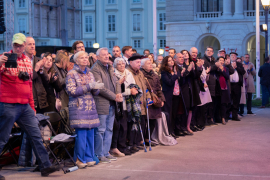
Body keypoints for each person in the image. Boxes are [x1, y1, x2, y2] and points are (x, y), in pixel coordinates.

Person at [0, 33, 59, 179]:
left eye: (21, 45)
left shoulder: (27, 60)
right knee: (2, 138)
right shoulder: (5, 57)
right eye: (16, 45)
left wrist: (32, 107)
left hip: (25, 106)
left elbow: (29, 85)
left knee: (36, 135)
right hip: (8, 104)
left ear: (25, 45)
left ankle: (45, 166)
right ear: (12, 45)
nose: (18, 48)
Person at [66, 51, 103, 168]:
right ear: (76, 61)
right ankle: (79, 159)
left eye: (86, 57)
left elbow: (94, 92)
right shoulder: (71, 74)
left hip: (90, 107)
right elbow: (71, 91)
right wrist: (89, 86)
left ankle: (88, 157)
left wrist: (96, 88)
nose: (85, 59)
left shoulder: (90, 73)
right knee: (81, 135)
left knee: (90, 134)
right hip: (78, 107)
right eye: (82, 58)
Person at [90, 47, 122, 163]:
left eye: (107, 54)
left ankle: (105, 152)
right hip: (102, 103)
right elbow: (101, 87)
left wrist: (118, 93)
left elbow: (117, 81)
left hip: (112, 103)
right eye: (103, 55)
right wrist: (115, 96)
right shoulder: (95, 69)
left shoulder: (109, 66)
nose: (107, 56)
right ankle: (99, 154)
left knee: (109, 129)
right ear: (97, 57)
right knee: (101, 130)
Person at [112, 57, 138, 156]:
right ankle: (120, 147)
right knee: (121, 127)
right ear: (115, 66)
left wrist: (134, 90)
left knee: (127, 126)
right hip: (120, 104)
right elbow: (116, 90)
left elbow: (133, 85)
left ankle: (125, 145)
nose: (122, 65)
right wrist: (129, 91)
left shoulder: (128, 73)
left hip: (129, 103)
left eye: (123, 63)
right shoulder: (114, 74)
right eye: (119, 64)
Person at [126, 53, 151, 148]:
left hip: (143, 102)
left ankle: (138, 141)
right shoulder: (128, 72)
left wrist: (148, 97)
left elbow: (145, 86)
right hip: (134, 103)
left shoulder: (140, 72)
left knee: (142, 123)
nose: (139, 64)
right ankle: (132, 143)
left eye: (140, 62)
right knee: (134, 123)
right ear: (131, 62)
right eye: (137, 62)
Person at [141, 57, 165, 142]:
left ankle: (148, 138)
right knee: (144, 121)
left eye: (151, 63)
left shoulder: (154, 75)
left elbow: (159, 88)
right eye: (148, 63)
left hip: (155, 100)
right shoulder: (141, 75)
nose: (150, 64)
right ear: (142, 66)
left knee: (153, 121)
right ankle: (142, 139)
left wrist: (162, 99)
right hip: (146, 101)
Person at [180, 50, 201, 134]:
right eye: (183, 54)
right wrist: (188, 70)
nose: (185, 55)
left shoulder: (192, 63)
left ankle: (188, 126)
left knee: (191, 108)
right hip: (184, 87)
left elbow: (196, 76)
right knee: (186, 107)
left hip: (192, 87)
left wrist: (196, 69)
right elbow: (183, 76)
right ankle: (183, 127)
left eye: (186, 53)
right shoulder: (182, 65)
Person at [160, 56, 179, 137]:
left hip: (176, 94)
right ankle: (168, 131)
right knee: (168, 113)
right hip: (168, 94)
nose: (172, 61)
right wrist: (175, 75)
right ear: (166, 62)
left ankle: (173, 130)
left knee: (174, 113)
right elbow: (169, 82)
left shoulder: (175, 70)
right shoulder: (164, 72)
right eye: (169, 60)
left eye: (172, 60)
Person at [202, 46, 219, 124]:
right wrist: (215, 66)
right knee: (207, 103)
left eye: (211, 51)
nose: (209, 52)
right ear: (205, 51)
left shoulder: (213, 60)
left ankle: (210, 118)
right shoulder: (203, 60)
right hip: (207, 83)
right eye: (207, 50)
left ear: (213, 52)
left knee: (212, 103)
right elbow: (206, 69)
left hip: (213, 83)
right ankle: (206, 119)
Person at [229, 52, 246, 121]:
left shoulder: (239, 64)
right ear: (229, 57)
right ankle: (227, 115)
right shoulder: (228, 64)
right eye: (231, 55)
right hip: (229, 85)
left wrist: (237, 68)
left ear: (236, 57)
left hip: (237, 84)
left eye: (234, 56)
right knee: (229, 100)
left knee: (236, 100)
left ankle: (235, 115)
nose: (233, 56)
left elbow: (243, 72)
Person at [215, 57, 230, 125]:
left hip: (224, 88)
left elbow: (227, 77)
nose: (221, 61)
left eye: (223, 60)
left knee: (223, 104)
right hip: (217, 88)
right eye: (220, 60)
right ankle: (217, 118)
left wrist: (222, 70)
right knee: (217, 103)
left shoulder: (226, 68)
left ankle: (223, 118)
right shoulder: (215, 68)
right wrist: (219, 69)